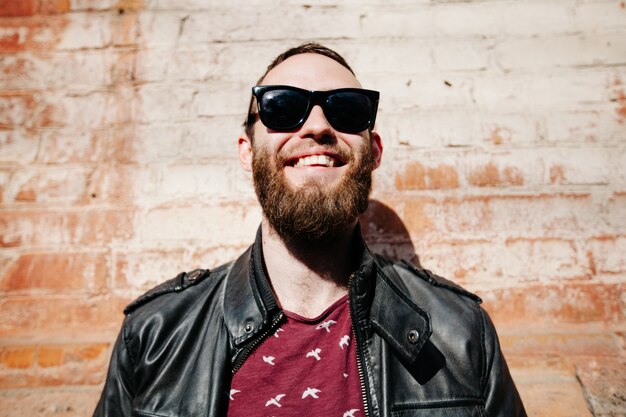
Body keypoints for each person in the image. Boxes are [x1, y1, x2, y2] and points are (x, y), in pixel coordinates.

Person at [94, 42, 526, 417]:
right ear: (247, 152)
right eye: (283, 106)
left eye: (346, 108)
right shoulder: (155, 334)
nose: (317, 126)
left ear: (372, 152)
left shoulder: (462, 335)